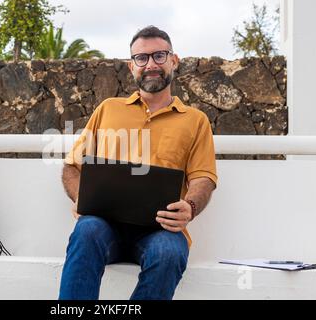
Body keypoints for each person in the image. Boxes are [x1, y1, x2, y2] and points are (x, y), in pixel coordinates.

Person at [58, 25, 218, 300]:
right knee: (86, 231)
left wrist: (189, 207)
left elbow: (204, 178)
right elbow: (72, 167)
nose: (150, 64)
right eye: (141, 58)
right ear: (132, 66)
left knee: (169, 253)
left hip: (161, 230)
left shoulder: (195, 120)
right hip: (103, 226)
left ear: (174, 60)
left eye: (159, 56)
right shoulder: (108, 109)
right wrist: (80, 196)